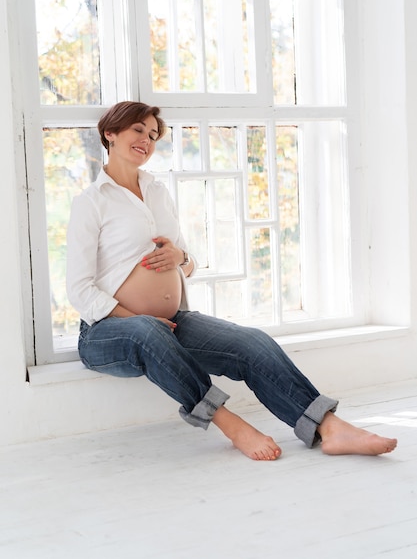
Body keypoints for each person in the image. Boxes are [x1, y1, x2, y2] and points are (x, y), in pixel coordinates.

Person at [66, 101, 397, 461]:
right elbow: (79, 289)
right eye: (137, 130)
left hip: (172, 323)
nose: (147, 139)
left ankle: (328, 427)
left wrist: (182, 258)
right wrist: (138, 320)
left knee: (251, 343)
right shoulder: (91, 202)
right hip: (108, 333)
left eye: (153, 134)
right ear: (110, 133)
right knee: (148, 332)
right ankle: (228, 422)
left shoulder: (158, 192)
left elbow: (188, 264)